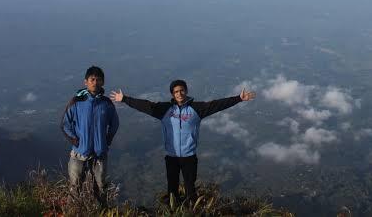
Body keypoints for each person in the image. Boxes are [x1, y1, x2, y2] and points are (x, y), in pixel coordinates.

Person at [110, 80, 256, 203]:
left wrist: (238, 98)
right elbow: (145, 106)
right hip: (171, 157)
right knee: (172, 190)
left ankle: (191, 211)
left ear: (186, 91)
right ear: (172, 94)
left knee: (190, 189)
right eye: (176, 92)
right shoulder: (165, 109)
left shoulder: (196, 109)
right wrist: (124, 99)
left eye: (181, 91)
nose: (179, 94)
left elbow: (217, 105)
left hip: (189, 157)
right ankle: (173, 211)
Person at [61, 65, 119, 204]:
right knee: (75, 188)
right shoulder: (76, 102)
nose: (95, 82)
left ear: (103, 82)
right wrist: (75, 140)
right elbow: (65, 124)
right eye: (92, 79)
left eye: (98, 79)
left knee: (100, 187)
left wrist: (107, 140)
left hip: (99, 153)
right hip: (79, 153)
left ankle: (101, 212)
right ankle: (72, 212)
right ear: (85, 82)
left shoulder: (106, 103)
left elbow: (114, 123)